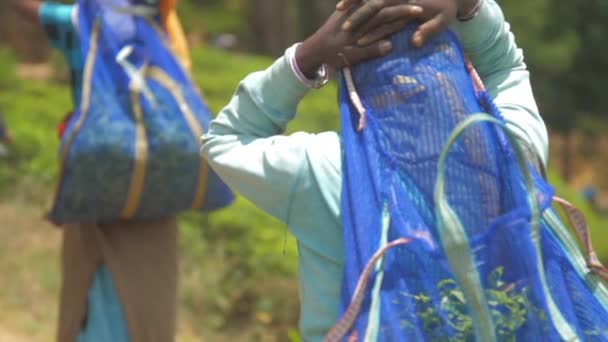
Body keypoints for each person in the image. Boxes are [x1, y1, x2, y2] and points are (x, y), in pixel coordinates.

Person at [201, 0, 548, 340]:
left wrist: (307, 57)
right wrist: (467, 7)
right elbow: (507, 68)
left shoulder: (325, 169)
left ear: (351, 78)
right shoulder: (513, 146)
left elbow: (225, 140)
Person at [13, 1, 188, 340]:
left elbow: (31, 9)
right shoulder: (164, 33)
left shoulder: (85, 25)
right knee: (149, 303)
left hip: (96, 189)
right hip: (154, 197)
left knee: (88, 297)